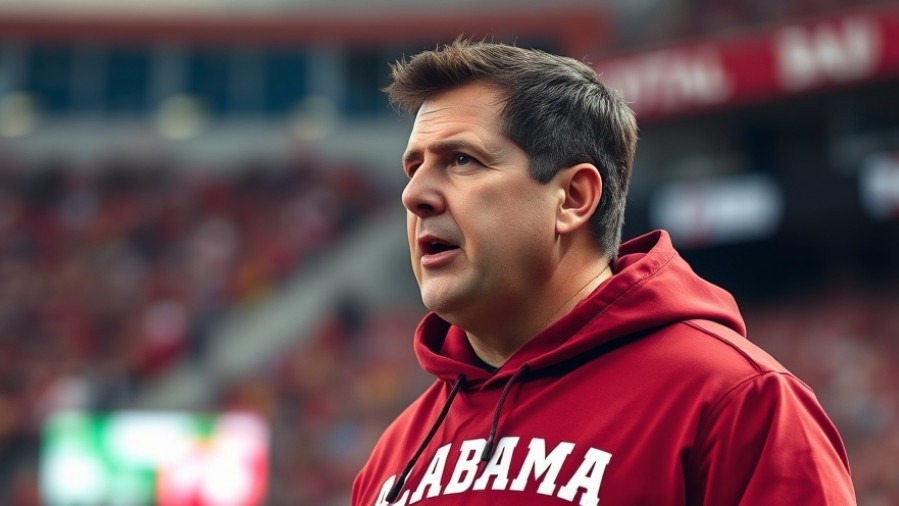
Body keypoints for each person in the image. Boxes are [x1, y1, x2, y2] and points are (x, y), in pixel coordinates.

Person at [352, 38, 856, 505]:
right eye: (413, 168)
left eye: (462, 160)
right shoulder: (394, 455)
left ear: (573, 198)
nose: (414, 195)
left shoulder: (736, 400)